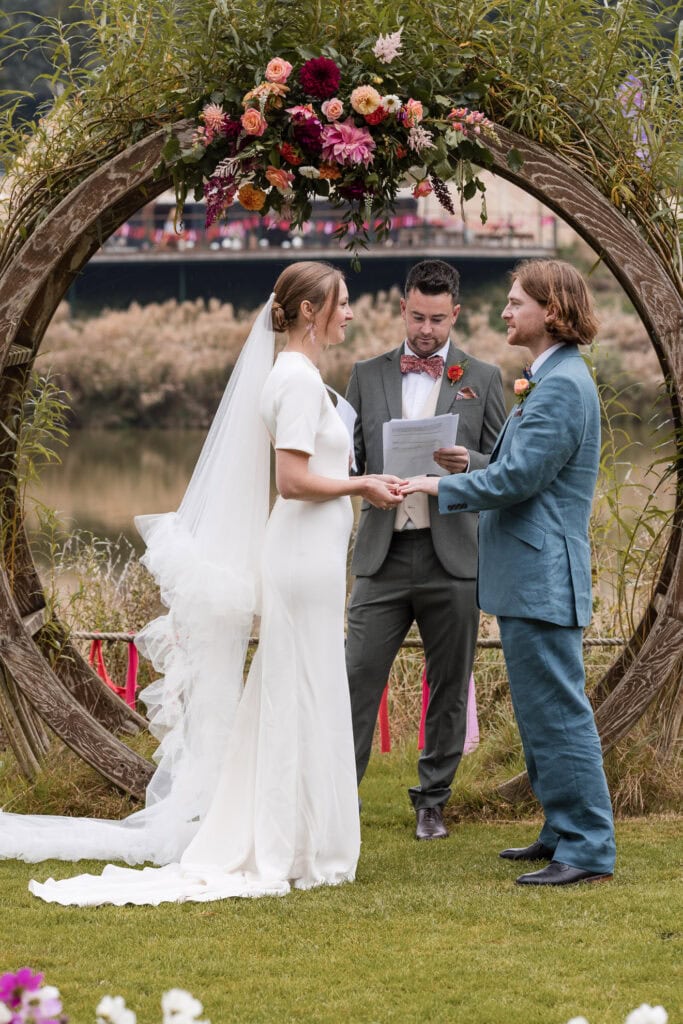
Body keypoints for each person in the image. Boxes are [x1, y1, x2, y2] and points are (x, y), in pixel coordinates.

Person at [0, 261, 403, 904]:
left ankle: (298, 834)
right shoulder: (296, 382)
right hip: (300, 559)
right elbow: (293, 481)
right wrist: (364, 485)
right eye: (342, 302)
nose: (351, 312)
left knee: (301, 687)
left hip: (314, 557)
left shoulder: (301, 376)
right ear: (307, 311)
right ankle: (285, 841)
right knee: (296, 688)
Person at [401, 258, 616, 884]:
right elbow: (522, 463)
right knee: (539, 711)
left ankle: (588, 848)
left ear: (551, 311)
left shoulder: (564, 386)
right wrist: (475, 457)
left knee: (558, 712)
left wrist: (439, 485)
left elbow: (522, 481)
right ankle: (560, 829)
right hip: (531, 577)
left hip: (543, 576)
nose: (505, 311)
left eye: (517, 301)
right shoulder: (550, 380)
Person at [345, 259, 506, 839]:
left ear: (455, 314)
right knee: (356, 678)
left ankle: (431, 801)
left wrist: (471, 464)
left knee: (449, 682)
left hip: (453, 555)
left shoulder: (483, 379)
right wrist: (364, 478)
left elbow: (505, 465)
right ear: (402, 308)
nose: (426, 331)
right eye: (417, 317)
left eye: (438, 320)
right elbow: (349, 459)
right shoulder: (365, 374)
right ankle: (340, 798)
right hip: (381, 555)